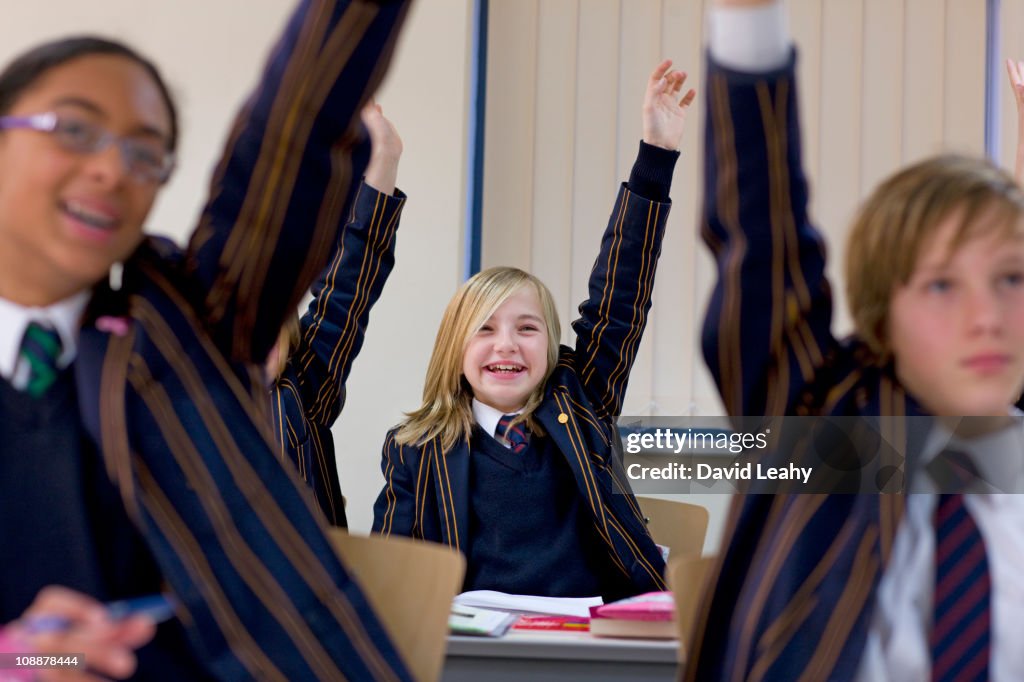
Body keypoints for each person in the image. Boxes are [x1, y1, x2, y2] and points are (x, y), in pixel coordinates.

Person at [0, 1, 414, 679]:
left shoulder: (184, 318)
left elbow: (294, 137)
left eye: (145, 152)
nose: (112, 169)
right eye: (73, 129)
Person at [687, 1, 1024, 681]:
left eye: (1012, 278)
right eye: (940, 286)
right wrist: (747, 23)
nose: (986, 316)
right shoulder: (830, 429)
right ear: (881, 318)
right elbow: (762, 231)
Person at [372, 60, 694, 601]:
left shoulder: (581, 402)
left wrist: (655, 156)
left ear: (550, 347)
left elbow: (619, 300)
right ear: (455, 351)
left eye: (527, 328)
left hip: (588, 645)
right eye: (485, 329)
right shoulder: (414, 450)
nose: (507, 344)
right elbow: (394, 581)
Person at [267, 102, 406, 527]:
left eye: (265, 332)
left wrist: (384, 159)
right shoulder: (180, 410)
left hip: (311, 588)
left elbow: (349, 286)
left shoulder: (300, 388)